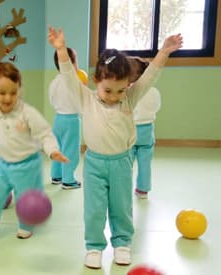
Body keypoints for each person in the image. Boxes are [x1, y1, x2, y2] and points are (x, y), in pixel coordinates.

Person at [48, 26, 182, 269]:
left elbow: (150, 75)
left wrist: (164, 52)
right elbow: (68, 75)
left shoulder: (129, 98)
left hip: (121, 162)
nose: (113, 96)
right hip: (94, 163)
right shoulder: (85, 98)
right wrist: (61, 51)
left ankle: (122, 243)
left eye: (121, 90)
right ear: (97, 81)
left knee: (121, 206)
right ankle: (94, 247)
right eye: (108, 90)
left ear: (129, 86)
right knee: (94, 208)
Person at [0, 62, 68, 250]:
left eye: (13, 92)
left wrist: (52, 150)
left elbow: (44, 133)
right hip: (3, 166)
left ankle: (26, 225)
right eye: (2, 93)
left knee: (26, 199)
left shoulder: (27, 113)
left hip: (28, 165)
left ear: (19, 90)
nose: (7, 98)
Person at [49, 48, 82, 190]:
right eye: (76, 61)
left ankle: (56, 176)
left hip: (58, 119)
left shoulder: (54, 82)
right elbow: (80, 100)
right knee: (70, 150)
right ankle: (68, 179)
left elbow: (52, 99)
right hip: (72, 119)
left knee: (58, 148)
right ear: (71, 63)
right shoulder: (74, 81)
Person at [129, 57, 161, 199]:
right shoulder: (154, 91)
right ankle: (143, 190)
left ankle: (123, 187)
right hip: (147, 130)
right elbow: (157, 107)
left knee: (125, 163)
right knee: (145, 163)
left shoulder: (128, 92)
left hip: (130, 130)